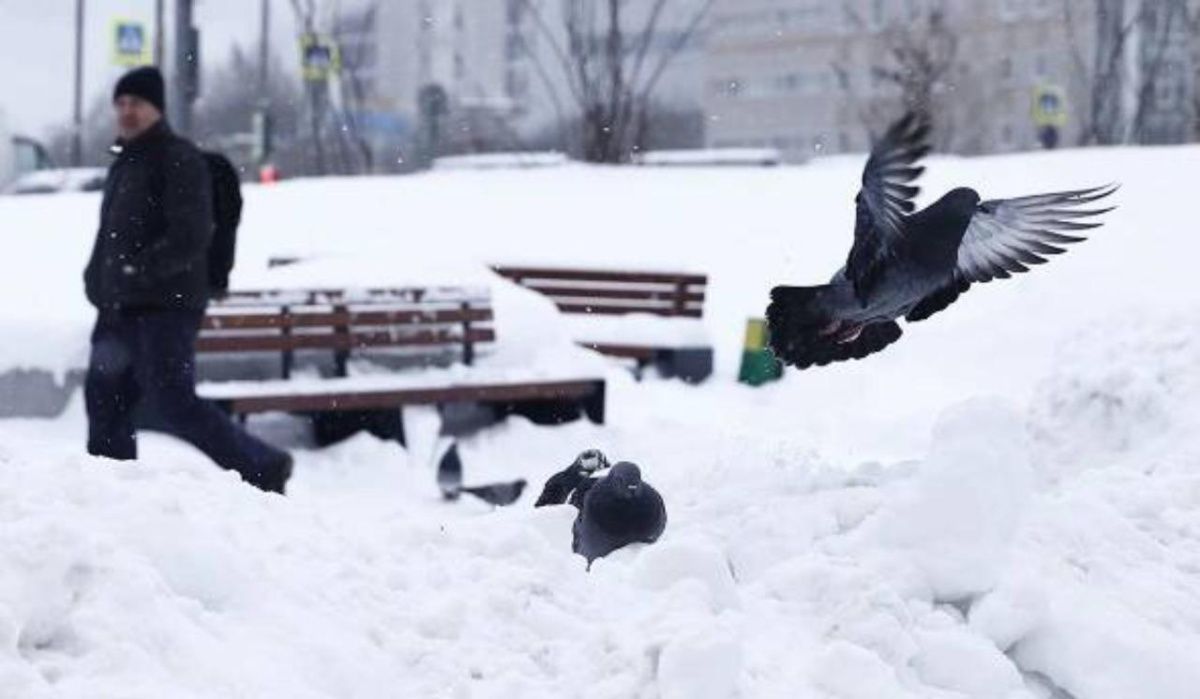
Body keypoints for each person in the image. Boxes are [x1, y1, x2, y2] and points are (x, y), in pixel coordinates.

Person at [82, 66, 292, 494]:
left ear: (156, 107)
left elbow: (191, 233)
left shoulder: (178, 157)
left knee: (172, 402)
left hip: (166, 306)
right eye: (121, 104)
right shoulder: (127, 160)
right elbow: (112, 232)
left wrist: (139, 271)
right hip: (121, 304)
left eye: (136, 104)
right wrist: (96, 275)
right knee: (105, 399)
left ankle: (265, 465)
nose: (127, 112)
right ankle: (110, 492)